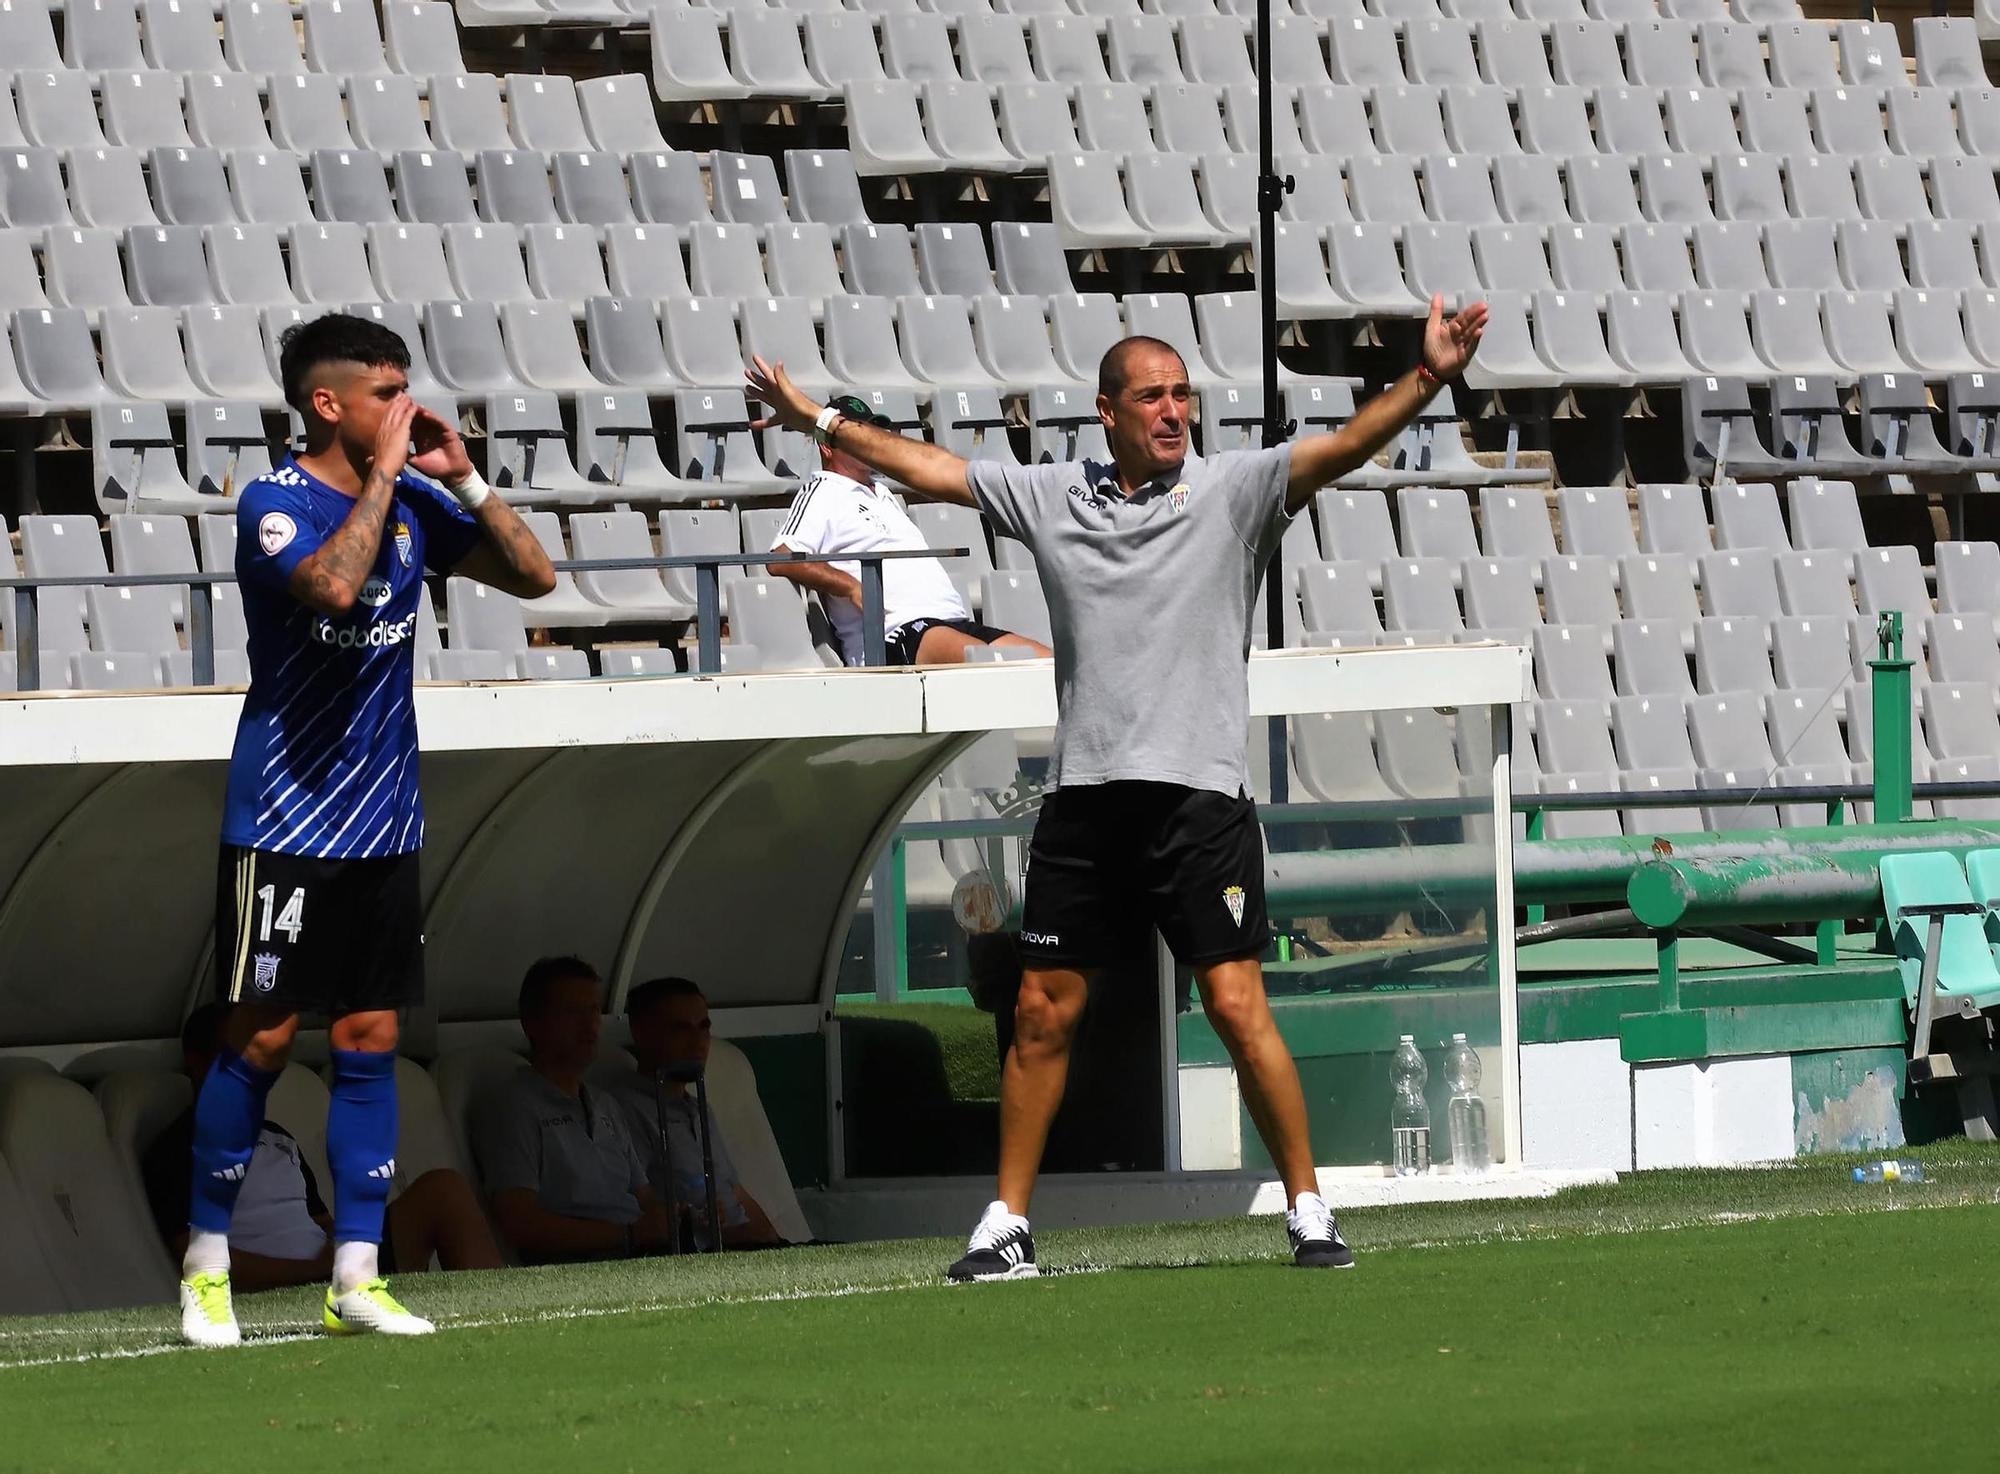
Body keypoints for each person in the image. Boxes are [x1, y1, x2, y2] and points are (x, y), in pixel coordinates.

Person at [746, 295, 1488, 1281]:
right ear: (1107, 410)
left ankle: (1308, 1208)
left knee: (1235, 1005)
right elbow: (931, 469)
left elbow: (1348, 445)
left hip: (1197, 800)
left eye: (1182, 393)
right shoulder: (1053, 496)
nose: (1173, 410)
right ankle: (1006, 1224)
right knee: (1040, 1014)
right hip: (1086, 801)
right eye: (1151, 396)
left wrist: (1428, 375)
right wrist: (816, 420)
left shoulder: (1234, 489)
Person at [180, 313, 556, 1347]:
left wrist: (465, 478)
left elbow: (535, 577)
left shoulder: (419, 501)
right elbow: (334, 588)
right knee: (262, 1037)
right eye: (386, 392)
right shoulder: (273, 503)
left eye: (405, 388)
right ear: (327, 403)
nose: (406, 406)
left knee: (371, 1037)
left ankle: (356, 1276)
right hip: (285, 817)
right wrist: (388, 478)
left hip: (383, 819)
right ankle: (206, 1266)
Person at [143, 1004, 503, 1292]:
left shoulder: (277, 1137)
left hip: (329, 1265)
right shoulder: (178, 1150)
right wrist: (313, 1269)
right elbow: (200, 1260)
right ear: (199, 1062)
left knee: (443, 1190)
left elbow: (321, 1222)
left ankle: (498, 1316)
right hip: (286, 1283)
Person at [768, 394, 1052, 666]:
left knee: (1051, 665)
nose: (869, 441)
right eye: (857, 434)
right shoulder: (822, 490)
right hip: (896, 633)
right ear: (827, 446)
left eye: (871, 433)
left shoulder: (883, 492)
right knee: (993, 667)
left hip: (951, 622)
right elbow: (781, 557)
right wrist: (850, 586)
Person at [474, 957, 679, 1265]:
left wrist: (678, 1218)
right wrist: (629, 1234)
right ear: (533, 1024)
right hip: (584, 1266)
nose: (590, 1024)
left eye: (594, 1010)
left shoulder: (605, 1104)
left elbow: (644, 1197)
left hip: (642, 1253)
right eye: (572, 1012)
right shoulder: (515, 1107)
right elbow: (520, 1221)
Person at [609, 977, 785, 1251]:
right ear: (641, 1033)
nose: (698, 1042)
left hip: (751, 1246)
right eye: (680, 1029)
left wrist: (771, 1236)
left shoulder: (699, 1108)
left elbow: (735, 1190)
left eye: (704, 1028)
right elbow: (644, 1207)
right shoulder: (625, 1110)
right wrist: (727, 1236)